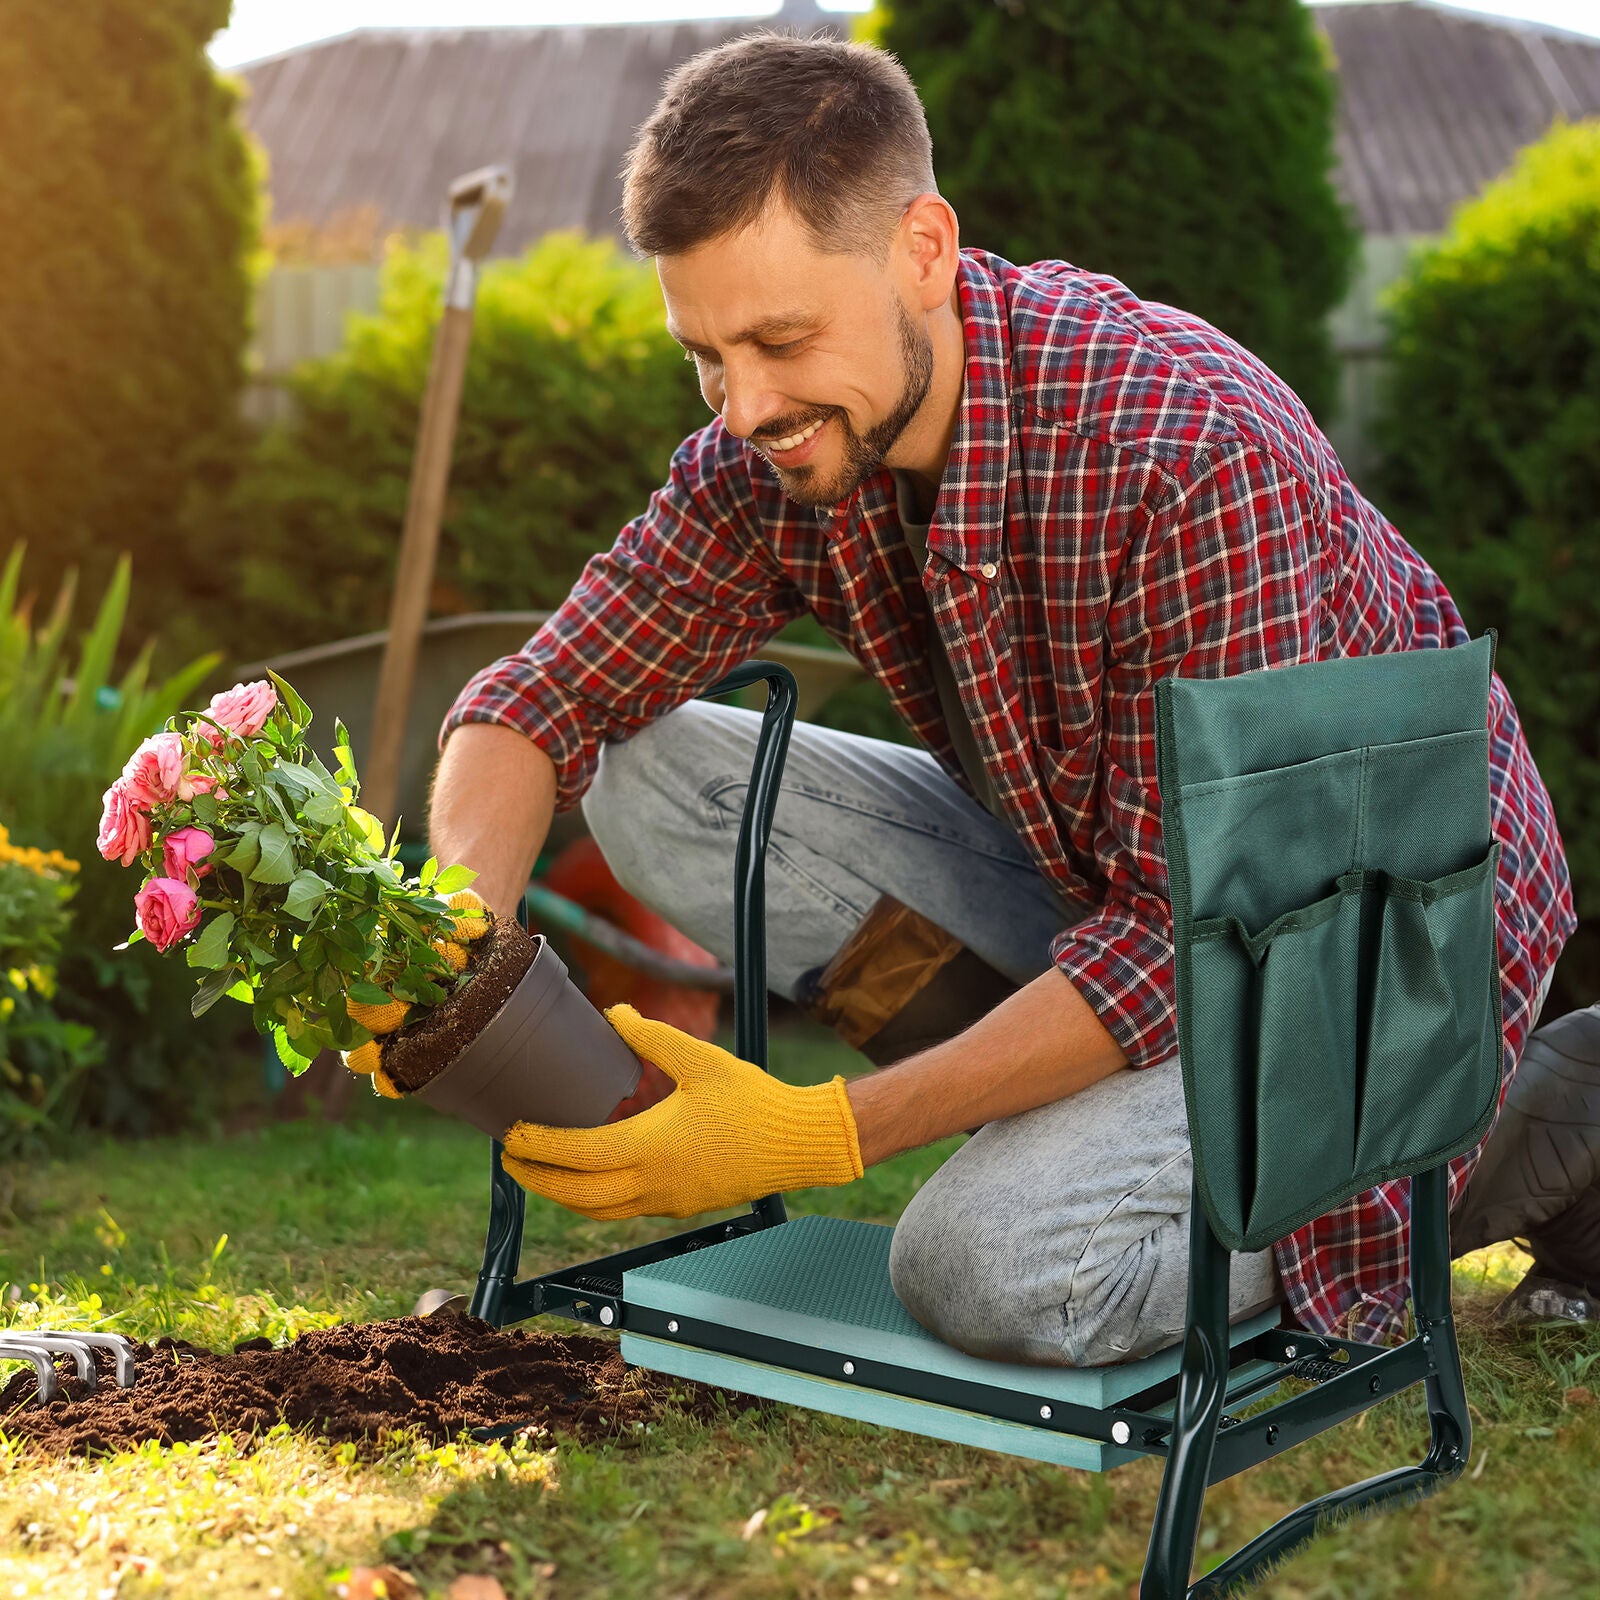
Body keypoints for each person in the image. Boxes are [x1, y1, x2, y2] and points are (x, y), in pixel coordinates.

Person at [428, 33, 1591, 1362]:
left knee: (992, 1270)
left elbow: (1191, 936)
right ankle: (1077, 1109)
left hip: (1367, 952)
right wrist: (453, 931)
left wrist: (821, 1133)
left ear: (923, 249)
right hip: (1126, 887)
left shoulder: (1183, 452)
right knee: (653, 774)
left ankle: (1486, 1131)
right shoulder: (793, 438)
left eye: (782, 339)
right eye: (705, 354)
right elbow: (543, 692)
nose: (744, 406)